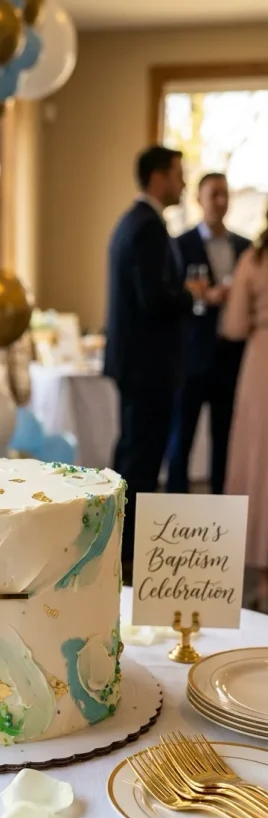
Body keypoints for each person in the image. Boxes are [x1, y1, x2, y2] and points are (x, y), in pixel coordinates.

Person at [105, 145, 196, 564]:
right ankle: (127, 558)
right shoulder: (147, 227)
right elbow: (154, 299)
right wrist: (190, 294)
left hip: (139, 365)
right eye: (179, 173)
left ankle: (120, 548)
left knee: (133, 456)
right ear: (159, 177)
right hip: (149, 367)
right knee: (140, 462)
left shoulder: (133, 222)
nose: (183, 182)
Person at [167, 173, 250, 495]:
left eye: (225, 194)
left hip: (230, 355)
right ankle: (174, 505)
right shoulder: (180, 244)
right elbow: (171, 297)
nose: (220, 201)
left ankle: (220, 507)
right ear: (199, 200)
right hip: (190, 355)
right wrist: (203, 296)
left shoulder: (245, 248)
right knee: (181, 437)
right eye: (214, 194)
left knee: (225, 437)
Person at [224, 216, 268, 608]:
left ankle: (263, 579)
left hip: (261, 361)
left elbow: (235, 325)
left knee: (259, 461)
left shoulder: (254, 259)